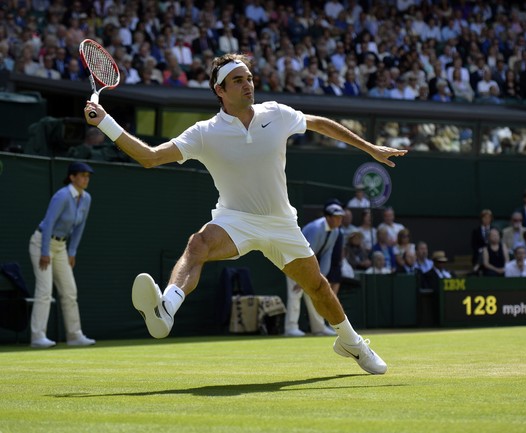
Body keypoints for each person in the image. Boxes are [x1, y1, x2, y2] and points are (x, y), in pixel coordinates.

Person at [85, 53, 406, 374]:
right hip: (234, 219)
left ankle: (350, 342)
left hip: (280, 222)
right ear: (219, 90)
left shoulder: (276, 114)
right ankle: (165, 309)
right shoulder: (204, 132)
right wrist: (105, 123)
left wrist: (370, 148)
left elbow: (318, 123)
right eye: (238, 80)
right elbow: (150, 157)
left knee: (319, 288)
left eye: (249, 78)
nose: (248, 84)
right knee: (198, 244)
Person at [29, 162, 96, 348]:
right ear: (72, 177)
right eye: (82, 175)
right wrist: (44, 252)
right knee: (44, 292)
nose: (85, 179)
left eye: (87, 176)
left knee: (69, 291)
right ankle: (37, 337)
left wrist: (72, 252)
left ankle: (74, 336)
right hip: (41, 243)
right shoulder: (62, 196)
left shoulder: (87, 198)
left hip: (61, 248)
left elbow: (79, 228)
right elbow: (49, 222)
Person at [284, 202, 345, 337]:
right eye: (337, 217)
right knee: (295, 293)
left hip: (308, 264)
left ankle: (319, 327)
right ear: (328, 217)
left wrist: (320, 275)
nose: (339, 220)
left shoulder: (335, 231)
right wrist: (301, 279)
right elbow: (304, 253)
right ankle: (291, 328)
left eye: (341, 217)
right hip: (293, 261)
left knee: (314, 293)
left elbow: (327, 255)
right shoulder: (316, 228)